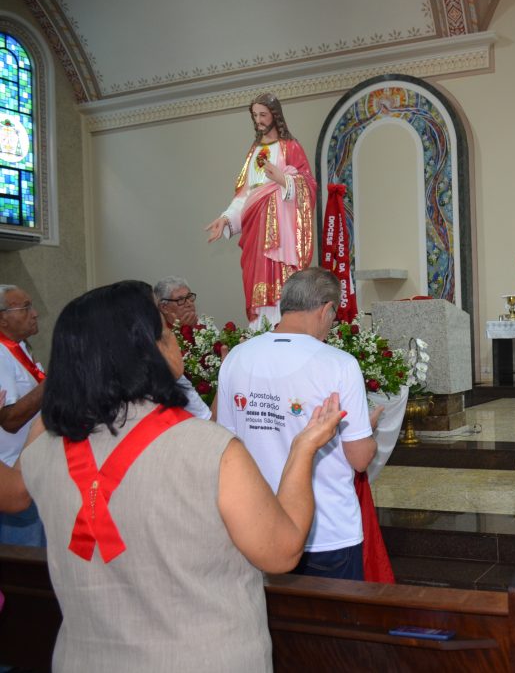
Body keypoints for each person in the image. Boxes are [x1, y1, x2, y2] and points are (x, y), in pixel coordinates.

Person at [18, 280, 344, 671]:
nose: (174, 339)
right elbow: (282, 550)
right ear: (148, 351)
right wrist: (303, 450)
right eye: (167, 332)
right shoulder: (210, 450)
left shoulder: (40, 455)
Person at [217, 267, 377, 580]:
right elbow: (359, 459)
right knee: (334, 626)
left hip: (257, 528)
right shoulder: (339, 364)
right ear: (327, 310)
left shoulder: (236, 357)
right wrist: (369, 431)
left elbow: (223, 443)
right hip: (326, 530)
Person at [205, 92, 316, 327]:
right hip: (256, 231)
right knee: (256, 278)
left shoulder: (291, 147)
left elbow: (308, 186)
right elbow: (245, 195)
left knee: (282, 282)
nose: (259, 120)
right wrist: (226, 218)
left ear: (275, 116)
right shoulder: (253, 151)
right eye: (255, 115)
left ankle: (285, 323)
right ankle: (261, 328)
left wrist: (284, 180)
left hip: (283, 236)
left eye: (263, 115)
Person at [0, 284, 46, 546]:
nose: (35, 313)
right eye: (25, 307)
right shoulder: (0, 353)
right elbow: (9, 421)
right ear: (2, 316)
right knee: (24, 560)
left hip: (30, 469)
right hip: (10, 473)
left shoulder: (20, 350)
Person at [153, 276, 213, 420]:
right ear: (164, 307)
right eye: (180, 300)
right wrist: (181, 331)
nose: (188, 304)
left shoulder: (205, 324)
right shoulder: (159, 336)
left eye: (190, 297)